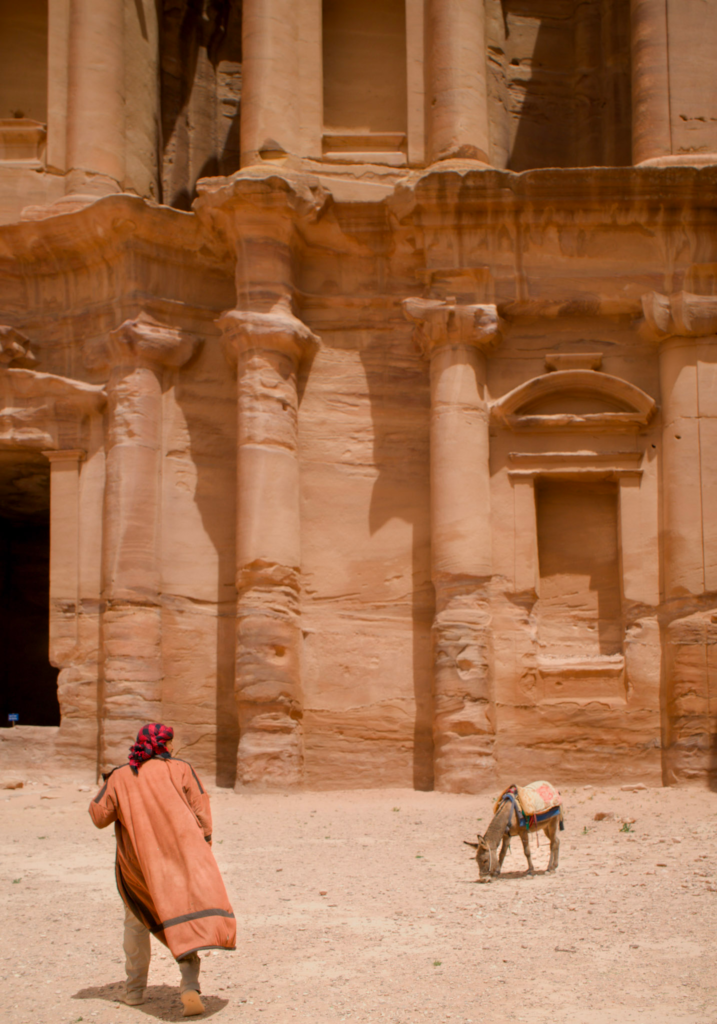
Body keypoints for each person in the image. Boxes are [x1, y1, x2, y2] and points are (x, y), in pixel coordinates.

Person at [89, 723, 236, 1017]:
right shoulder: (181, 768)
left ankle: (134, 991)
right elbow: (202, 811)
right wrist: (202, 849)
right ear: (165, 745)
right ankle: (189, 985)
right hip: (181, 858)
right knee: (184, 917)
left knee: (137, 922)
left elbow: (99, 816)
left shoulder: (120, 775)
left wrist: (108, 783)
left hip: (139, 864)